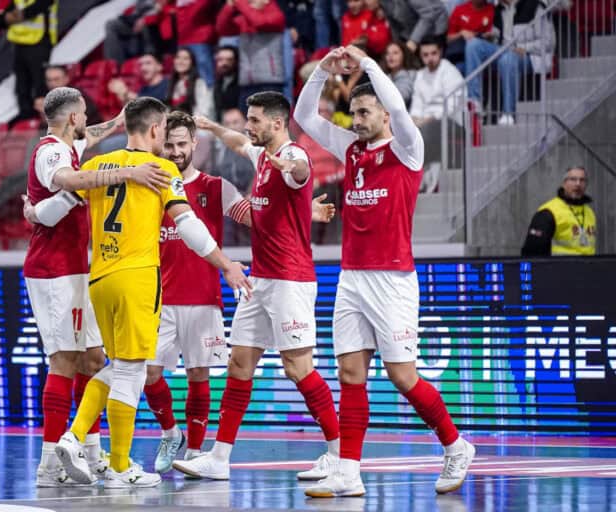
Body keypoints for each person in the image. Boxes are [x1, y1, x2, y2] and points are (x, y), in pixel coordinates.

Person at [294, 45, 474, 497]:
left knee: (402, 375)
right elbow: (305, 118)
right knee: (350, 374)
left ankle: (455, 446)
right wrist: (321, 71)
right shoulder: (350, 149)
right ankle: (349, 472)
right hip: (352, 277)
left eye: (364, 112)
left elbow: (396, 104)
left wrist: (368, 64)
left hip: (392, 279)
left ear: (386, 114)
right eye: (353, 112)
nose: (356, 120)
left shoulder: (407, 148)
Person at [53, 96, 252, 488]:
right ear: (156, 129)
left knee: (117, 367)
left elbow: (58, 204)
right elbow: (190, 227)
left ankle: (81, 441)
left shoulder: (96, 165)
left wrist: (31, 212)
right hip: (137, 278)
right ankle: (109, 458)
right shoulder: (160, 169)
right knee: (131, 370)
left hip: (100, 278)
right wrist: (225, 263)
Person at [147, 110, 336, 473]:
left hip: (245, 288)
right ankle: (211, 456)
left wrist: (302, 207)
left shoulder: (225, 184)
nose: (174, 151)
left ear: (193, 146)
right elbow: (241, 146)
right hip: (203, 290)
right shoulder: (151, 181)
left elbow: (285, 183)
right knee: (234, 366)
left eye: (181, 144)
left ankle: (340, 453)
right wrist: (215, 126)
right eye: (168, 145)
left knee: (294, 368)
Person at [22, 87, 173, 487]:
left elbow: (90, 141)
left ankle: (90, 454)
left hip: (77, 267)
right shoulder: (52, 152)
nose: (89, 121)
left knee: (93, 359)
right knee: (64, 361)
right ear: (73, 118)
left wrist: (120, 121)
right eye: (85, 115)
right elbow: (68, 180)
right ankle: (50, 463)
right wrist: (128, 171)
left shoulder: (70, 143)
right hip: (54, 270)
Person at [464, 0, 554, 125]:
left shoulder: (534, 6)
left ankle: (508, 113)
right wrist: (492, 37)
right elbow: (500, 37)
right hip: (505, 51)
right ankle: (475, 102)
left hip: (531, 56)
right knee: (473, 44)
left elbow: (548, 42)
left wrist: (524, 48)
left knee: (508, 58)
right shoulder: (498, 9)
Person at [0, 0, 58, 121]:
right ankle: (26, 120)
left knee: (41, 85)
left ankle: (48, 123)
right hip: (19, 44)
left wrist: (15, 16)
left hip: (40, 42)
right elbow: (0, 20)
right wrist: (13, 17)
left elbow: (35, 9)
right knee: (22, 86)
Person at [521, 167, 596, 256]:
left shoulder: (589, 212)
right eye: (573, 179)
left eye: (582, 180)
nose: (578, 184)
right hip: (560, 268)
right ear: (564, 184)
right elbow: (532, 252)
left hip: (589, 267)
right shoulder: (549, 212)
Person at [409, 37, 462, 126]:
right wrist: (413, 120)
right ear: (420, 56)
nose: (430, 58)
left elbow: (451, 107)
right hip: (424, 122)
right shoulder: (420, 75)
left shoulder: (450, 71)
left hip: (449, 123)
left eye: (433, 53)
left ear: (440, 52)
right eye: (425, 55)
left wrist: (429, 119)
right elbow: (416, 105)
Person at [166, 47, 215, 119]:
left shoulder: (199, 83)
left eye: (185, 58)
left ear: (192, 62)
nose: (180, 61)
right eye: (178, 57)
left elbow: (203, 112)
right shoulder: (172, 83)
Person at [380, 40, 417, 108]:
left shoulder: (409, 75)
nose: (390, 56)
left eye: (395, 53)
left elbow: (400, 99)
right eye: (387, 53)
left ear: (404, 55)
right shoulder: (384, 77)